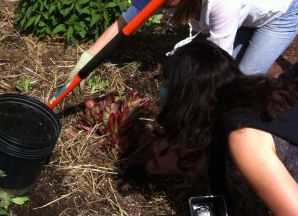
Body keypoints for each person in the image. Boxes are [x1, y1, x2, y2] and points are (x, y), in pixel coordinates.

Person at [121, 40, 298, 215]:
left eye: (167, 85)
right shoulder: (261, 97)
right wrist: (147, 167)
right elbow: (200, 155)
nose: (162, 92)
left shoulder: (244, 136)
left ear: (186, 99)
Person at [65, 0, 298, 80]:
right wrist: (86, 60)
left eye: (156, 3)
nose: (151, 8)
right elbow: (123, 24)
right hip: (248, 4)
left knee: (245, 78)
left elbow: (217, 60)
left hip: (283, 8)